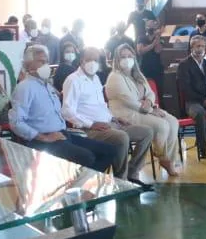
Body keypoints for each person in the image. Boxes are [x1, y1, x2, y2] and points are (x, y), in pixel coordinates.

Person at [9, 45, 118, 171]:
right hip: (43, 140)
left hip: (62, 134)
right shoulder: (25, 88)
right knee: (87, 157)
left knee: (110, 151)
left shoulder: (47, 86)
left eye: (47, 62)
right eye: (41, 62)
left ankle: (81, 182)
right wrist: (43, 137)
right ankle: (78, 183)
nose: (46, 65)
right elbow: (16, 122)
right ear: (28, 65)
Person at [62, 47, 153, 181]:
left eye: (96, 60)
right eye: (89, 60)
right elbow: (67, 111)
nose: (92, 63)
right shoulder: (73, 80)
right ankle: (121, 180)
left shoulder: (96, 79)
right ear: (81, 61)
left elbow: (101, 107)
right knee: (122, 137)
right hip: (88, 129)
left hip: (109, 123)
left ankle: (132, 171)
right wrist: (91, 124)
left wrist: (114, 118)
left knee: (147, 132)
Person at [106, 43, 181, 177]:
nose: (126, 59)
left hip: (145, 109)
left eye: (129, 56)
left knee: (173, 121)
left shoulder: (137, 75)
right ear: (117, 60)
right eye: (123, 57)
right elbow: (129, 101)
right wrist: (151, 110)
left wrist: (149, 101)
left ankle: (169, 159)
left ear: (134, 58)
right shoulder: (114, 77)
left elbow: (151, 93)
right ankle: (163, 157)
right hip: (127, 114)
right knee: (162, 125)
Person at [137, 17, 166, 96]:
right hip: (144, 68)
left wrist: (157, 37)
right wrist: (152, 44)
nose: (150, 28)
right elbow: (140, 51)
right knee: (146, 92)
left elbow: (157, 50)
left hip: (157, 69)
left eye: (152, 27)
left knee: (159, 92)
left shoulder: (160, 38)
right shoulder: (141, 38)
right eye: (148, 27)